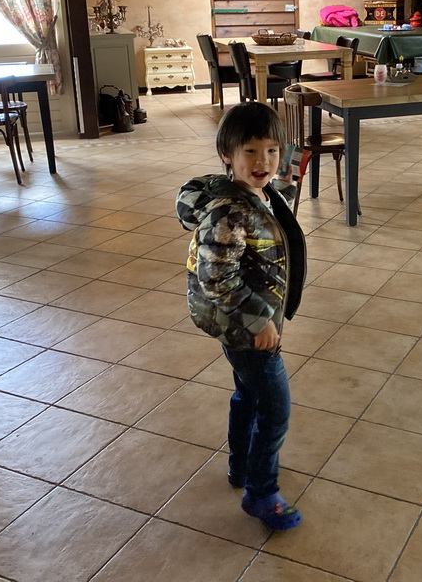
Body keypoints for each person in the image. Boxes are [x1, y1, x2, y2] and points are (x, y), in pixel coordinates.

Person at [176, 102, 307, 531]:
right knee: (275, 407)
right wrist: (258, 320)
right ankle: (261, 493)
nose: (263, 162)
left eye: (272, 150)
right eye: (250, 152)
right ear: (227, 157)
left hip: (252, 319)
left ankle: (241, 467)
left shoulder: (262, 195)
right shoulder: (229, 212)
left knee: (248, 395)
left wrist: (283, 188)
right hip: (246, 325)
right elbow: (216, 277)